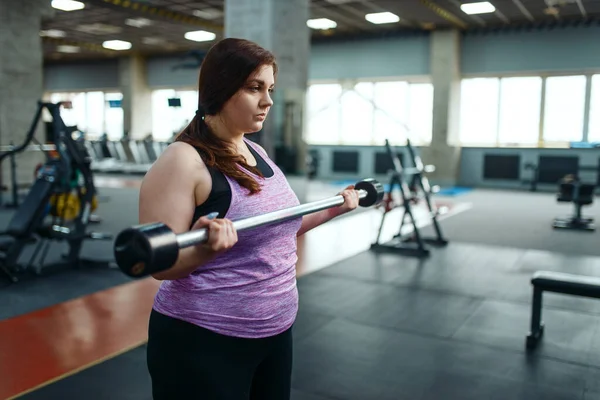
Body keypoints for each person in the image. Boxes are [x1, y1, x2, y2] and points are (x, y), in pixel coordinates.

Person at [140, 37, 360, 400]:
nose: (268, 101)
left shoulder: (255, 150)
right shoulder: (183, 160)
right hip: (204, 340)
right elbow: (161, 265)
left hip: (275, 334)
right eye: (254, 88)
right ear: (221, 88)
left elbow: (278, 228)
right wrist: (206, 249)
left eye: (270, 88)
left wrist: (338, 205)